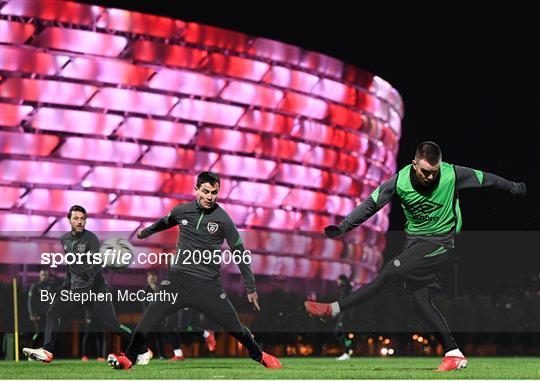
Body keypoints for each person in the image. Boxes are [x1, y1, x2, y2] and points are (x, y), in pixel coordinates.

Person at [304, 141, 526, 371]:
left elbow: (487, 179)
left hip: (440, 242)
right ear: (414, 164)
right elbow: (371, 204)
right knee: (420, 302)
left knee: (391, 269)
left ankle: (333, 309)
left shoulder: (452, 174)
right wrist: (343, 227)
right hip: (414, 244)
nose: (430, 177)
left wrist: (513, 187)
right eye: (425, 172)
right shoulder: (399, 181)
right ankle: (454, 353)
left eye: (434, 172)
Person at [107, 172, 282, 370]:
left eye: (214, 193)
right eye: (206, 191)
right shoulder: (182, 211)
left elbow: (239, 252)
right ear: (196, 190)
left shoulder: (223, 220)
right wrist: (147, 232)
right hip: (177, 282)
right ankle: (128, 358)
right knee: (150, 317)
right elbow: (166, 221)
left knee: (236, 330)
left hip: (207, 286)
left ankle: (260, 355)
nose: (210, 197)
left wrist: (250, 287)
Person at [22, 205, 151, 364]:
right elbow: (71, 268)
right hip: (76, 290)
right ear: (69, 220)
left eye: (82, 219)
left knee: (112, 325)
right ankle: (47, 350)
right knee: (53, 312)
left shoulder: (91, 239)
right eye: (76, 218)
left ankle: (144, 349)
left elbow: (94, 266)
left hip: (96, 289)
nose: (79, 221)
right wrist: (65, 288)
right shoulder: (65, 240)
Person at [27, 269, 55, 348]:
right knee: (39, 332)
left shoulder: (51, 286)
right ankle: (32, 348)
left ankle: (45, 351)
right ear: (39, 275)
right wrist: (31, 314)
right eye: (42, 275)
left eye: (46, 275)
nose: (44, 277)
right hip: (38, 314)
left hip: (48, 313)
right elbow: (30, 301)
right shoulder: (35, 286)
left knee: (48, 334)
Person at [333, 274, 353, 360]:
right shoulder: (346, 289)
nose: (337, 282)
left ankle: (347, 352)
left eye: (338, 280)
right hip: (344, 314)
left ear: (342, 280)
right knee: (343, 334)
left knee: (339, 332)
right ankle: (348, 350)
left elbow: (343, 303)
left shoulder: (346, 290)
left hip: (345, 315)